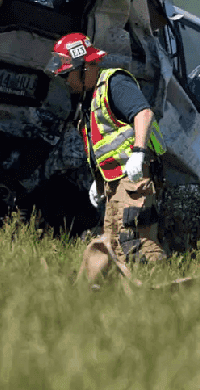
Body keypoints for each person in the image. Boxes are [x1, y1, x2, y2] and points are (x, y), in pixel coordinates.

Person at [46, 32, 167, 263]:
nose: (67, 81)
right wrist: (99, 183)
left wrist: (139, 154)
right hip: (115, 182)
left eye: (68, 74)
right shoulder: (89, 98)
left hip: (135, 178)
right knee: (113, 244)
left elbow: (144, 113)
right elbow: (104, 146)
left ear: (85, 67)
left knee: (136, 243)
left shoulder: (115, 82)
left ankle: (159, 288)